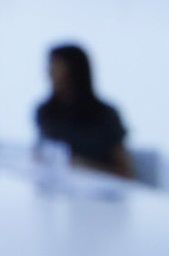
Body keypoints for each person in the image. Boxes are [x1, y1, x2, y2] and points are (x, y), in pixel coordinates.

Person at [34, 43, 134, 179]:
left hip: (100, 189)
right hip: (57, 188)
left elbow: (126, 173)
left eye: (56, 64)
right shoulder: (46, 112)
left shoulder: (104, 114)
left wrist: (83, 166)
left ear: (74, 70)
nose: (49, 71)